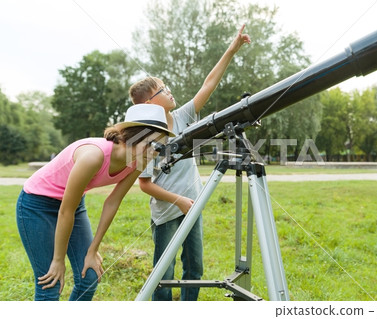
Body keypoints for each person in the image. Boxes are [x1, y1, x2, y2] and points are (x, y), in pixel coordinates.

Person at [130, 24, 251, 301]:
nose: (169, 91)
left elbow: (208, 83)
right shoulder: (145, 137)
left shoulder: (183, 117)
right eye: (163, 89)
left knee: (194, 268)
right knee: (164, 271)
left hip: (192, 205)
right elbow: (145, 185)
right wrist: (178, 201)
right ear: (150, 102)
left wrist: (232, 50)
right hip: (167, 213)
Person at [16, 104, 174, 301]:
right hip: (36, 204)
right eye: (150, 144)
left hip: (73, 205)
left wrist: (93, 249)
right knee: (50, 285)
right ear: (132, 136)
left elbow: (113, 201)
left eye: (160, 146)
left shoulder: (140, 158)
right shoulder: (93, 156)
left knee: (89, 278)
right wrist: (58, 259)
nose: (154, 153)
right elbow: (66, 211)